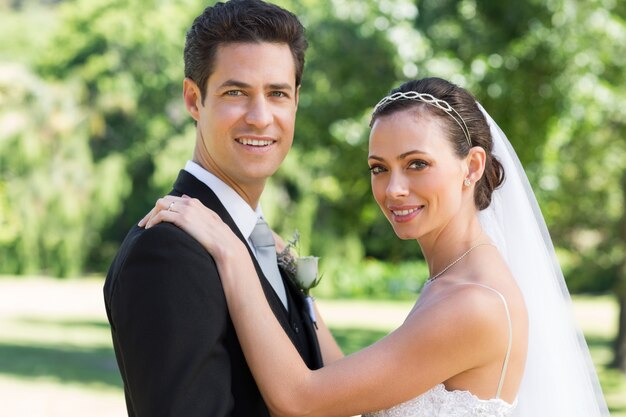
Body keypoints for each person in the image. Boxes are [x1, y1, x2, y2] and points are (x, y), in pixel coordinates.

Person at [142, 77, 609, 416]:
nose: (394, 189)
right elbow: (347, 384)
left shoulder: (474, 303)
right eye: (379, 168)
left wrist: (232, 254)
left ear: (471, 167)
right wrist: (271, 251)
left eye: (417, 164)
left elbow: (301, 399)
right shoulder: (455, 280)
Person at [103, 1, 339, 416]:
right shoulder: (168, 252)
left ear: (296, 101)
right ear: (194, 100)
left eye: (277, 93)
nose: (261, 117)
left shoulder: (262, 241)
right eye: (236, 92)